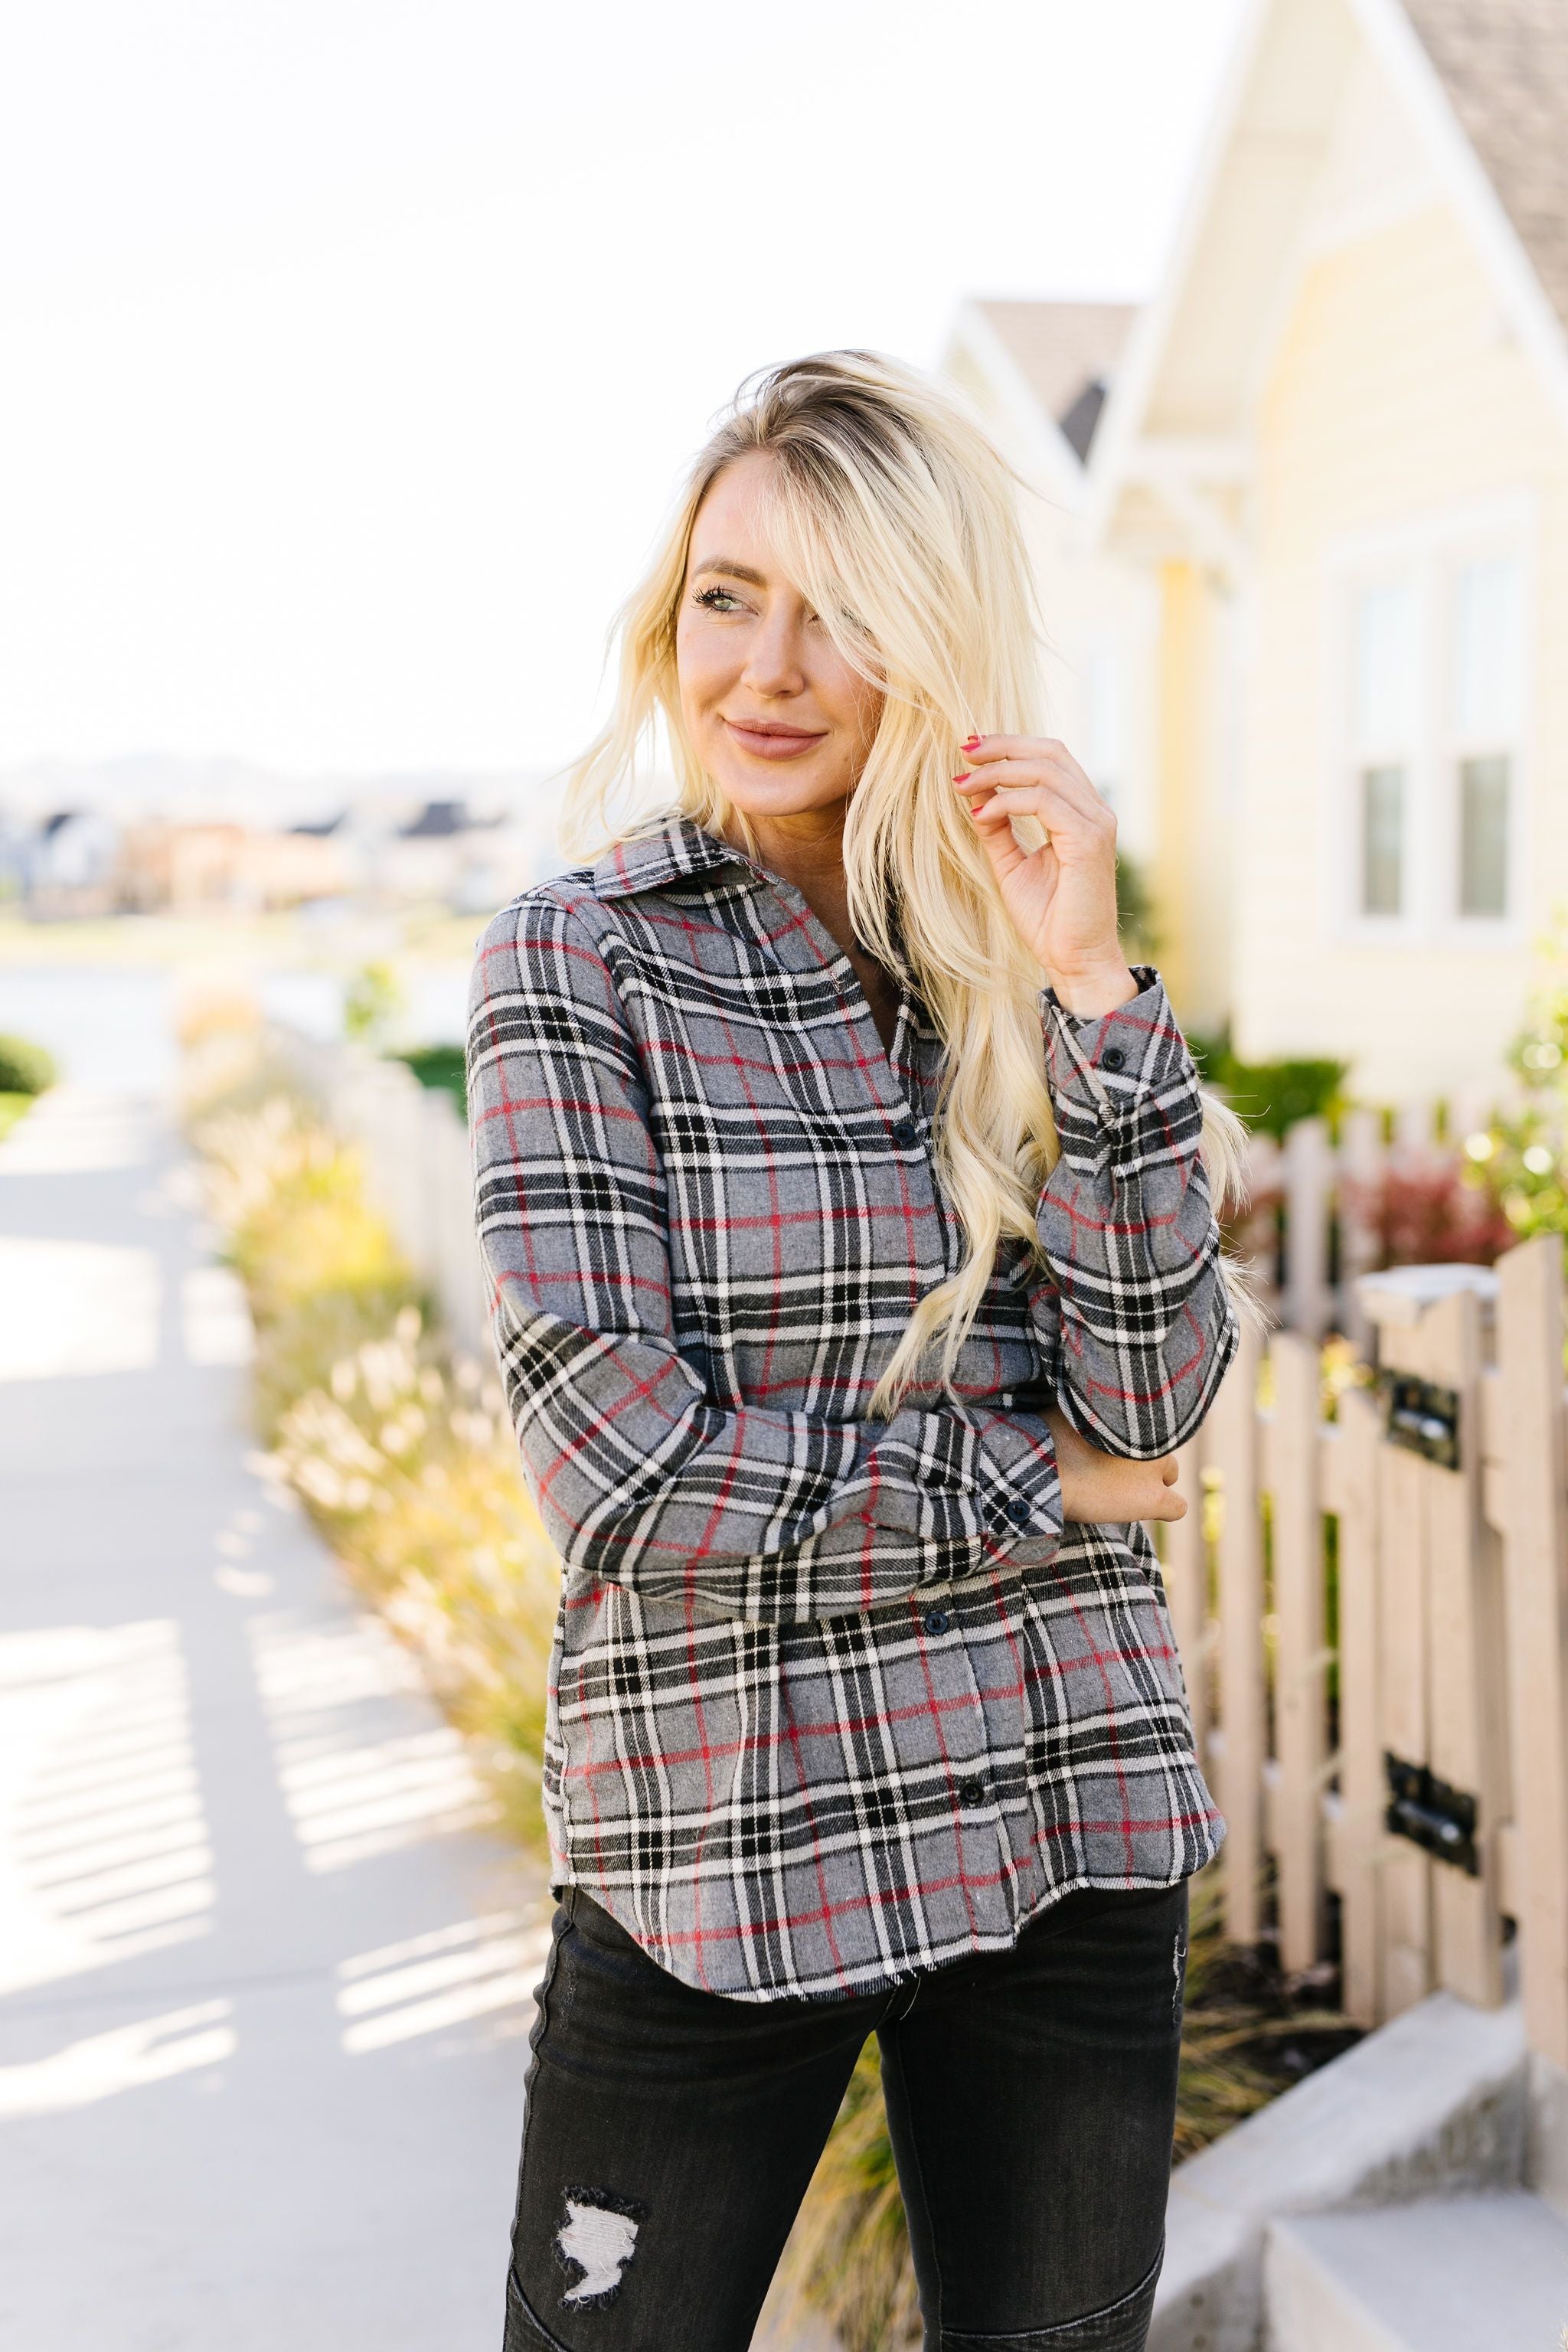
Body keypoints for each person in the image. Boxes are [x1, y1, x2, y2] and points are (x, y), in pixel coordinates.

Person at [466, 351, 1242, 2352]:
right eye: (729, 596)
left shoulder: (1007, 950)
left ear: (937, 638)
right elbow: (621, 1468)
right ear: (671, 619)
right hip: (717, 1853)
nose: (770, 665)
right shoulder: (585, 957)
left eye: (842, 608)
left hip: (1059, 1819)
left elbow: (1154, 1402)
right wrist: (1032, 1482)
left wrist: (1090, 974)